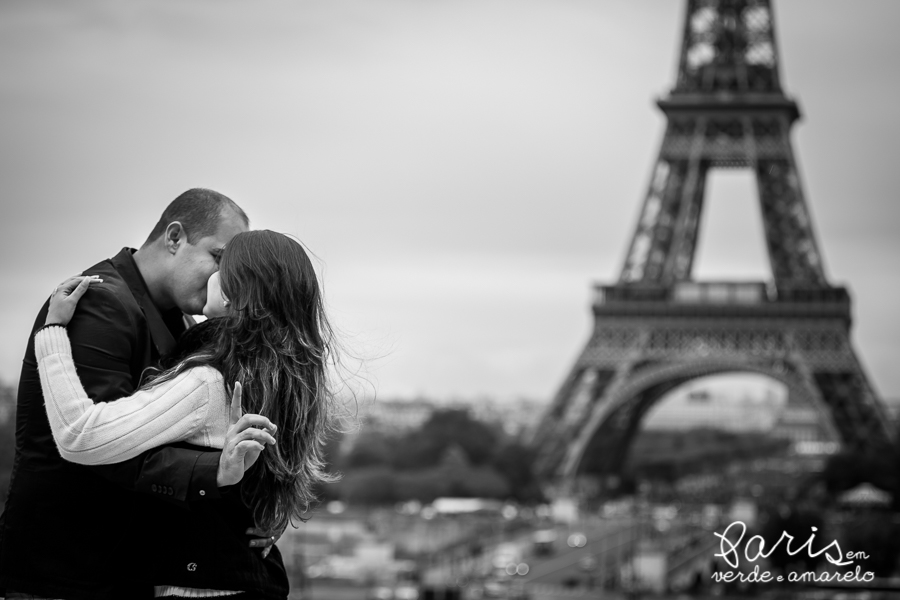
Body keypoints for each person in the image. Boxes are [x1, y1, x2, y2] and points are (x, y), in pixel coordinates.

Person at [0, 189, 278, 600]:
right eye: (218, 258)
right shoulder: (98, 302)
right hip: (67, 572)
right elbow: (107, 446)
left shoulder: (181, 319)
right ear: (174, 237)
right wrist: (220, 475)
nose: (225, 278)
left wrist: (248, 506)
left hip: (119, 567)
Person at [36, 230, 338, 598]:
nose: (210, 271)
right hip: (256, 578)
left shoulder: (208, 382)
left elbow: (78, 436)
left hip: (202, 586)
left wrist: (51, 334)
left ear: (232, 291)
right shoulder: (286, 380)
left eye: (220, 264)